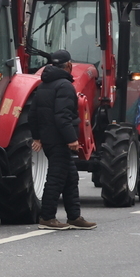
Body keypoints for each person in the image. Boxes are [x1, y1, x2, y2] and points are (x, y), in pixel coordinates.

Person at [31, 49, 96, 231]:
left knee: (70, 177)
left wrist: (37, 137)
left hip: (48, 139)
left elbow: (33, 114)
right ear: (68, 65)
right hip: (59, 140)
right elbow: (63, 116)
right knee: (56, 177)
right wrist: (72, 139)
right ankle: (47, 217)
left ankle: (74, 216)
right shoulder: (65, 86)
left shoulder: (43, 85)